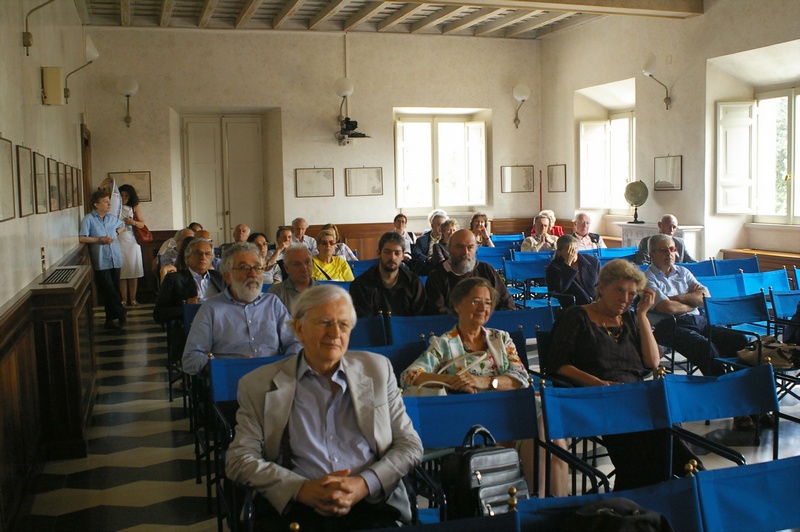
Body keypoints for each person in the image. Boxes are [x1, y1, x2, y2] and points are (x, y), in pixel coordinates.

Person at [225, 285, 423, 530]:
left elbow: (410, 445)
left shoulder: (378, 370)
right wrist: (301, 489)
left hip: (370, 502)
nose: (334, 333)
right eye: (324, 322)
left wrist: (363, 483)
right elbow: (239, 460)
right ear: (298, 329)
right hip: (297, 504)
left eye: (343, 324)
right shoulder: (259, 385)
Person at [549, 259, 702, 491]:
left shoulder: (631, 318)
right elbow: (559, 365)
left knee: (666, 421)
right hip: (594, 395)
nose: (625, 299)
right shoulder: (577, 316)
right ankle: (692, 479)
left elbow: (652, 362)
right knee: (653, 433)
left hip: (633, 394)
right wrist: (598, 383)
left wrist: (642, 315)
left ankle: (663, 485)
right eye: (619, 290)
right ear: (601, 288)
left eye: (632, 294)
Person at [645, 235, 748, 390]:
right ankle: (726, 392)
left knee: (740, 340)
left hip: (700, 321)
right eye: (663, 250)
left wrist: (676, 298)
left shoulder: (683, 272)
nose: (669, 253)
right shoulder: (647, 278)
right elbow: (668, 308)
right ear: (652, 254)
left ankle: (745, 389)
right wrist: (692, 302)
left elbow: (705, 296)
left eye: (672, 249)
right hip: (671, 326)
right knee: (706, 348)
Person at [181, 242, 302, 376]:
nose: (253, 274)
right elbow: (191, 357)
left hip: (275, 378)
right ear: (227, 276)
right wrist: (226, 367)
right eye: (244, 268)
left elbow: (294, 342)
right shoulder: (212, 308)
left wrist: (288, 365)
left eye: (257, 267)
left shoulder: (272, 303)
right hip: (232, 381)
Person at [401, 277, 528, 392]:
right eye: (475, 301)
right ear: (457, 306)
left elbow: (521, 378)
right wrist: (453, 381)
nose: (483, 308)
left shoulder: (501, 338)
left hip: (506, 406)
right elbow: (409, 376)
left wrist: (486, 382)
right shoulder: (443, 344)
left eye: (488, 302)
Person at [425, 229, 515, 314]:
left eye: (470, 247)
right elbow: (437, 313)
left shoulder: (486, 270)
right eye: (459, 247)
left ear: (476, 249)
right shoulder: (436, 277)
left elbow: (507, 303)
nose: (465, 252)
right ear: (449, 250)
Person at [79, 189, 127, 331]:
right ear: (96, 204)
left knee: (114, 289)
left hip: (115, 258)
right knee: (108, 289)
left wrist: (118, 232)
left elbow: (122, 225)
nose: (108, 204)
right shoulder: (88, 219)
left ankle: (110, 319)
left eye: (109, 201)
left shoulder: (112, 218)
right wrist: (100, 240)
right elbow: (82, 237)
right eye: (105, 202)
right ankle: (121, 312)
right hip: (101, 260)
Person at [349, 232, 426, 318]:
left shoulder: (414, 283)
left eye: (397, 253)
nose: (392, 257)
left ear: (403, 256)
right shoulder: (361, 285)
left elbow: (419, 321)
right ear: (378, 253)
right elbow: (365, 324)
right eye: (387, 252)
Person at [153, 238, 225, 324]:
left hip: (222, 323)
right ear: (187, 258)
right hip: (193, 326)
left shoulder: (220, 277)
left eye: (207, 254)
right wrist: (187, 306)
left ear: (211, 259)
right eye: (198, 253)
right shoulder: (174, 279)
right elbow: (159, 314)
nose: (203, 257)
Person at [546, 234, 600, 307]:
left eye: (575, 249)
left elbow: (601, 283)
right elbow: (560, 289)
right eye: (569, 250)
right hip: (574, 307)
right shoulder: (553, 268)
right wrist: (567, 265)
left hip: (596, 303)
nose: (573, 253)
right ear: (559, 252)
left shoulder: (592, 262)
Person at [116, 184, 145, 307]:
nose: (123, 198)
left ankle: (133, 299)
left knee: (133, 271)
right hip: (118, 239)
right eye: (121, 195)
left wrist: (132, 222)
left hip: (132, 240)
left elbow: (142, 224)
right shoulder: (114, 206)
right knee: (122, 272)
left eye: (126, 196)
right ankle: (123, 299)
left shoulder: (135, 206)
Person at [269, 244, 319, 309]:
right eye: (297, 264)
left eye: (307, 262)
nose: (304, 268)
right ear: (286, 268)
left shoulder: (322, 292)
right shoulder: (276, 292)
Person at [411, 209, 447, 274]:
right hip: (426, 268)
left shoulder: (447, 239)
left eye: (443, 225)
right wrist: (428, 259)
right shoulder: (422, 240)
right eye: (439, 224)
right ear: (432, 225)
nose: (441, 227)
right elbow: (416, 253)